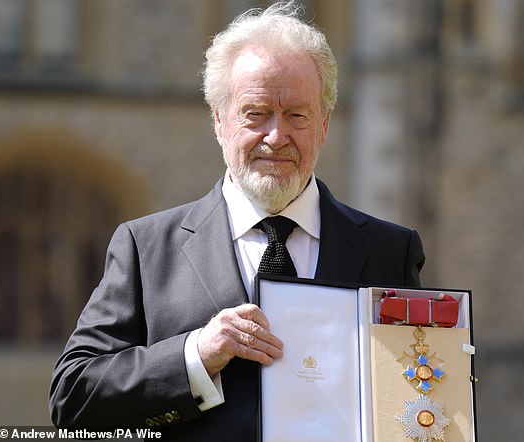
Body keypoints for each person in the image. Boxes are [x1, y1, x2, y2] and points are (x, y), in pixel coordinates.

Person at [49, 2, 425, 441]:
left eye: (297, 116)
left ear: (323, 126)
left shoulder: (391, 251)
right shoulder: (146, 247)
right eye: (256, 113)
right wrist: (196, 355)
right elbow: (71, 398)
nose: (276, 136)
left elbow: (417, 396)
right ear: (219, 122)